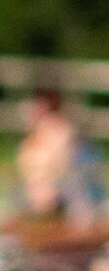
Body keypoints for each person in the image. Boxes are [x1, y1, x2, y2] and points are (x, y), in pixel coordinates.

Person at [6, 88, 105, 226]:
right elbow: (27, 166)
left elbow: (61, 165)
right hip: (40, 186)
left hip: (62, 185)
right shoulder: (33, 137)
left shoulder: (60, 132)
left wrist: (46, 186)